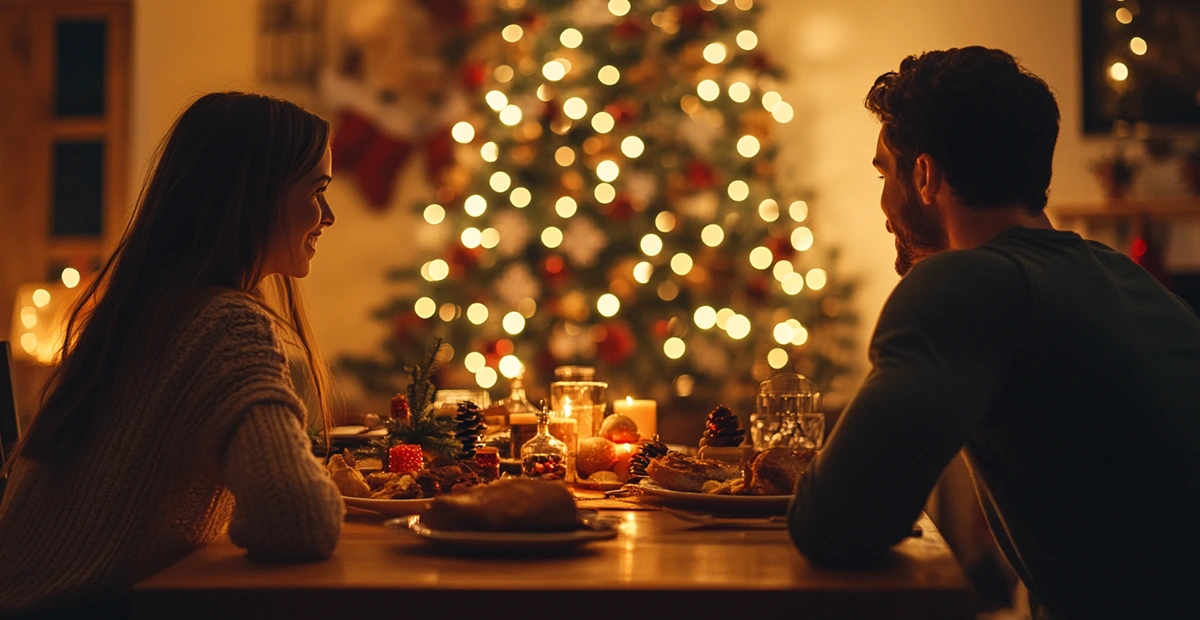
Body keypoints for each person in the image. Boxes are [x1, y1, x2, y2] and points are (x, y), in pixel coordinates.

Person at [787, 47, 1200, 620]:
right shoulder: (1126, 279)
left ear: (925, 175)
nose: (884, 203)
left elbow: (833, 524)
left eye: (885, 171)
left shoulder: (964, 284)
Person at [0, 92, 345, 617]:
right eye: (316, 191)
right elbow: (298, 517)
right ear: (255, 195)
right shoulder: (225, 324)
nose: (328, 216)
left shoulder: (142, 312)